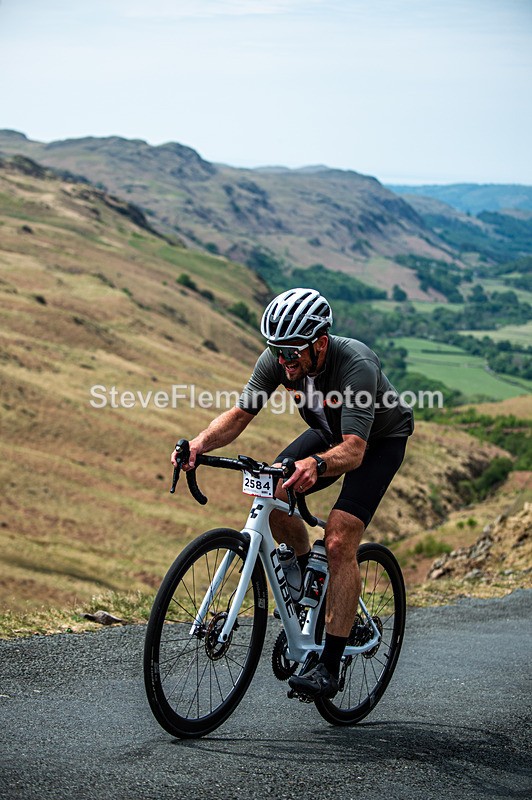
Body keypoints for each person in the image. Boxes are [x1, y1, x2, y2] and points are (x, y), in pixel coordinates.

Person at [172, 287, 414, 699]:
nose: (284, 362)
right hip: (326, 432)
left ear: (320, 343)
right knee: (271, 496)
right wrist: (199, 444)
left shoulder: (356, 364)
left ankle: (330, 666)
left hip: (377, 442)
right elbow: (240, 414)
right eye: (276, 351)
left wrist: (316, 464)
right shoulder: (280, 358)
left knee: (338, 539)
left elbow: (355, 449)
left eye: (292, 352)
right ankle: (308, 578)